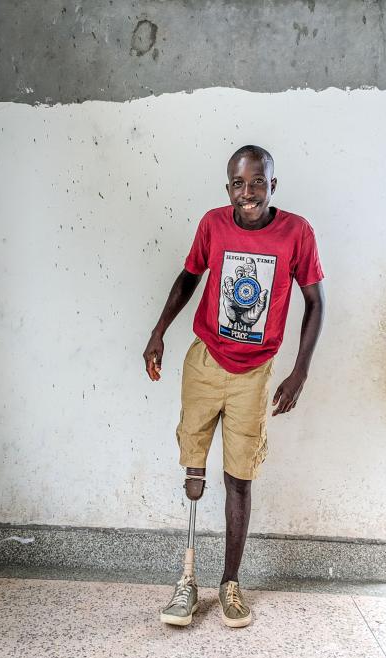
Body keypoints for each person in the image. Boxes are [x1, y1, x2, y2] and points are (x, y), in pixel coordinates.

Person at [143, 145, 325, 628]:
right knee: (194, 475)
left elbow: (315, 302)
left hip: (254, 372)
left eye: (258, 182)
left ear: (272, 185)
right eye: (239, 184)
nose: (249, 193)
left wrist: (300, 371)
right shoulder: (213, 224)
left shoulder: (297, 233)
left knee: (238, 478)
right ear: (228, 189)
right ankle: (187, 582)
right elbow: (188, 277)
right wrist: (158, 332)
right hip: (205, 361)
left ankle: (229, 583)